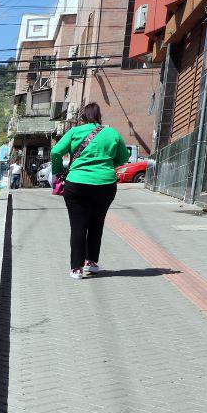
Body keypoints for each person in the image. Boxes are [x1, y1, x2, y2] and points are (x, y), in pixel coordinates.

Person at [51, 102, 131, 280]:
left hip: (77, 183)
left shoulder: (75, 132)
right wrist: (108, 165)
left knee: (78, 225)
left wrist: (57, 171)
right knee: (97, 222)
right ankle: (92, 262)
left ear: (82, 118)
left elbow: (56, 152)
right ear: (99, 116)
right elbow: (124, 156)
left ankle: (76, 269)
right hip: (105, 185)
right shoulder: (111, 132)